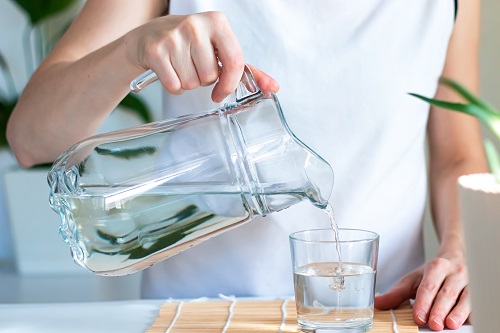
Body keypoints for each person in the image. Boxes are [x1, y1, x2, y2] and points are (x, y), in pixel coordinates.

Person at [6, 1, 487, 331]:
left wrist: (466, 249)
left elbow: (457, 153)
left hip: (385, 315)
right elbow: (30, 137)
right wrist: (133, 48)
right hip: (194, 315)